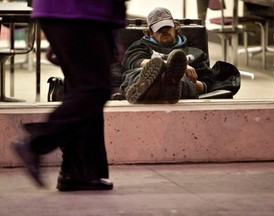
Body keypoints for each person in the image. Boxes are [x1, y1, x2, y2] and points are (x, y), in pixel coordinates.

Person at [12, 0, 126, 191]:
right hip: (81, 11)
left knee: (81, 88)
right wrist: (115, 25)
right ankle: (36, 142)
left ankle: (77, 172)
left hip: (58, 11)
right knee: (95, 89)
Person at [119, 7, 215, 104]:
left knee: (180, 80)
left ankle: (166, 86)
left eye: (167, 27)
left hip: (180, 84)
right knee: (139, 73)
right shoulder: (141, 46)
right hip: (143, 78)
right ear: (151, 33)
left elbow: (206, 85)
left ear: (175, 26)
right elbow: (134, 62)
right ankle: (161, 85)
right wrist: (176, 66)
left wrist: (191, 80)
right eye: (159, 29)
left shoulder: (195, 52)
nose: (164, 31)